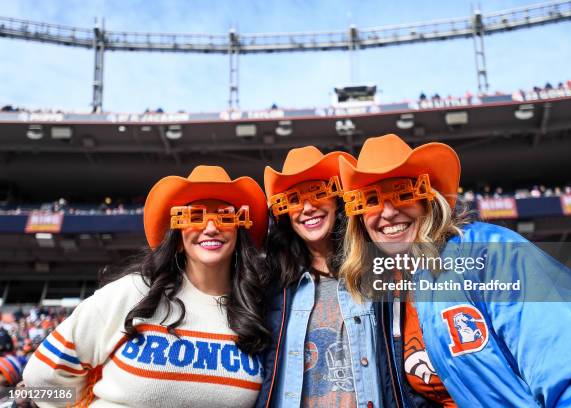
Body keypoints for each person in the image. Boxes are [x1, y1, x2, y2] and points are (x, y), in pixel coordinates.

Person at [338, 134, 571, 407]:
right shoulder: (386, 292)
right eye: (370, 200)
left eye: (403, 193)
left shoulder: (493, 253)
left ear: (428, 200)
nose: (387, 212)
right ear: (359, 217)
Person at [23, 165, 271, 407]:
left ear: (239, 231)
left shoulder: (255, 309)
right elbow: (39, 378)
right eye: (195, 217)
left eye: (225, 217)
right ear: (178, 237)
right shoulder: (131, 292)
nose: (211, 227)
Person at [256, 147, 385, 408]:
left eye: (318, 193)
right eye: (294, 199)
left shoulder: (376, 270)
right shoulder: (273, 286)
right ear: (284, 213)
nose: (307, 207)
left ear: (337, 199)